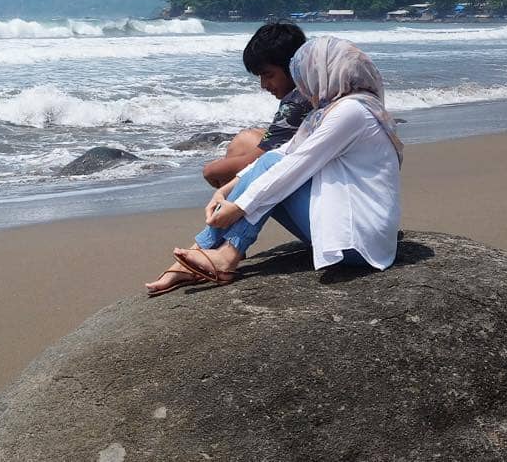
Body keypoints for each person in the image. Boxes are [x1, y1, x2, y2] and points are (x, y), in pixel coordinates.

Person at [146, 36, 403, 296]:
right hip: (352, 230)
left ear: (325, 71)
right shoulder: (333, 110)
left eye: (306, 74)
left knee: (272, 167)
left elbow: (295, 165)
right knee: (270, 164)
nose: (303, 84)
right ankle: (202, 251)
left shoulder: (352, 112)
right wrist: (224, 192)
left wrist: (238, 207)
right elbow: (286, 151)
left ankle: (224, 256)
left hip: (358, 243)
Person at [203, 22, 310, 188]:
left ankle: (225, 211)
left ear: (292, 65)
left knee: (242, 142)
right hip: (320, 172)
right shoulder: (316, 89)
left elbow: (259, 159)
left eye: (268, 75)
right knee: (254, 134)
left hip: (307, 185)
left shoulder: (296, 102)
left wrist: (210, 170)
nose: (263, 85)